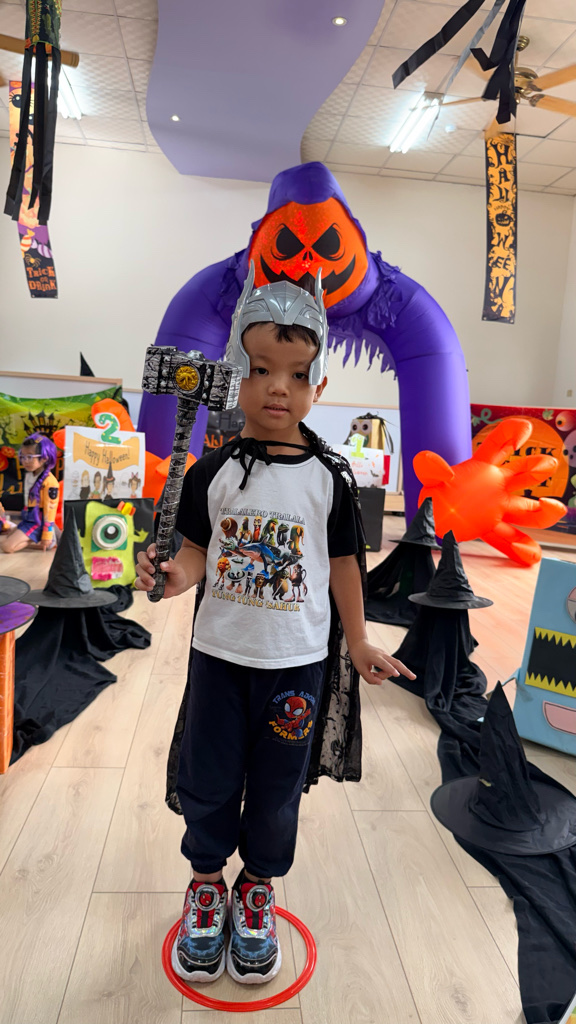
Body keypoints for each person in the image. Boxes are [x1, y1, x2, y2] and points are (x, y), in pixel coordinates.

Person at [135, 268, 415, 987]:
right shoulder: (212, 472)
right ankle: (206, 883)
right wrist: (175, 576)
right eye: (260, 369)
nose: (277, 388)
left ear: (319, 384)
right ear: (237, 373)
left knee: (276, 784)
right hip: (219, 657)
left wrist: (359, 639)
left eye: (295, 373)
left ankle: (256, 885)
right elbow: (195, 553)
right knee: (208, 776)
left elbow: (345, 564)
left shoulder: (331, 478)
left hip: (296, 666)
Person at [0, 433, 59, 553]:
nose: (25, 461)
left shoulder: (50, 482)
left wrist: (47, 533)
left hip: (38, 522)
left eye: (30, 457)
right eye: (23, 457)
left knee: (7, 547)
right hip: (29, 519)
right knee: (3, 541)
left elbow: (50, 509)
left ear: (45, 458)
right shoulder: (30, 476)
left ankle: (48, 540)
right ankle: (39, 541)